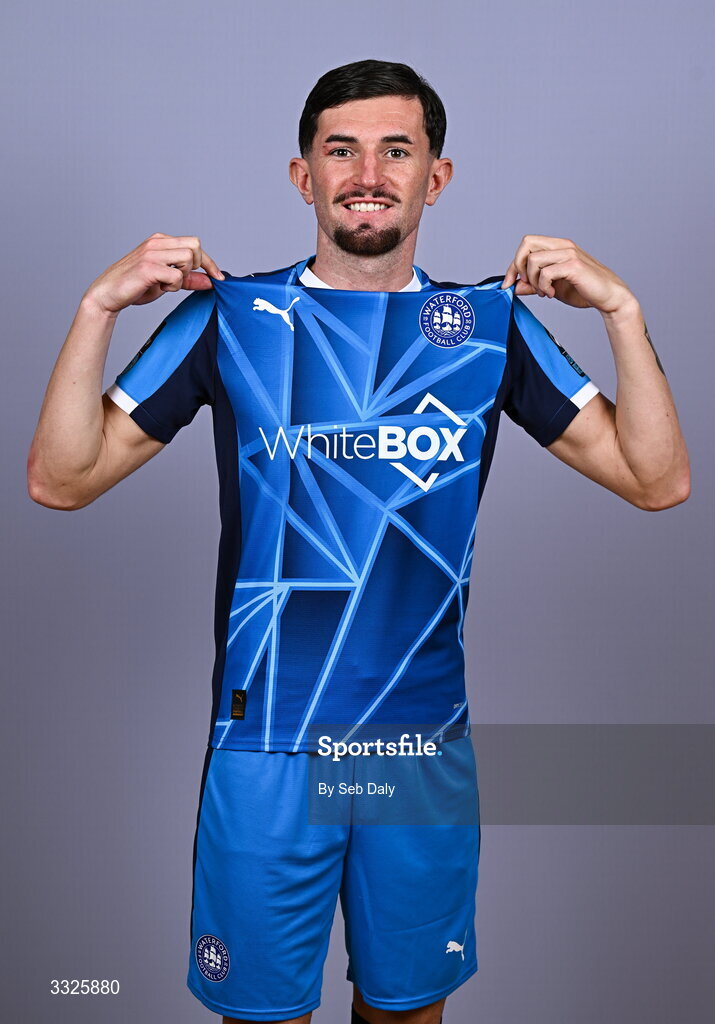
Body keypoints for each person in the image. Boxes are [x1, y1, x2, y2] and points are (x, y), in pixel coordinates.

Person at [27, 59, 690, 1024]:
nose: (367, 171)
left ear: (437, 175)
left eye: (396, 149)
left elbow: (656, 478)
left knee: (407, 1014)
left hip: (416, 746)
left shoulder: (485, 330)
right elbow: (61, 477)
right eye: (340, 150)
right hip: (268, 745)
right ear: (304, 176)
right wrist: (96, 309)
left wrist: (622, 314)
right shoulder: (231, 319)